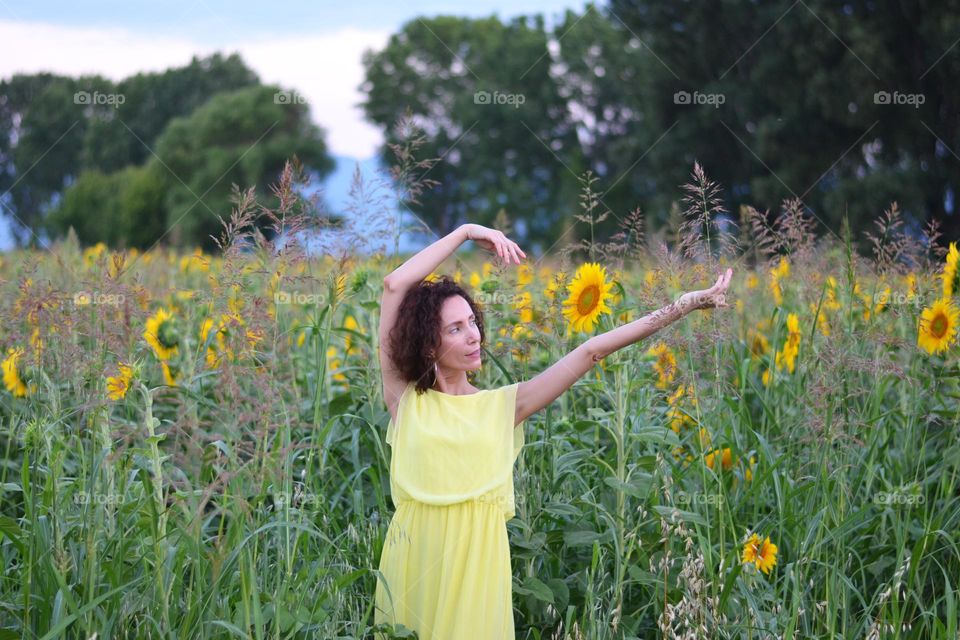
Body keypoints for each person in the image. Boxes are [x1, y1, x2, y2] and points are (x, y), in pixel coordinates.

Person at [373, 223, 733, 639]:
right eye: (455, 328)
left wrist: (682, 306)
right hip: (413, 561)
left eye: (472, 321)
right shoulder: (405, 399)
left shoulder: (504, 406)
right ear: (428, 344)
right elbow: (394, 285)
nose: (474, 335)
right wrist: (466, 232)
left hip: (476, 576)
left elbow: (592, 349)